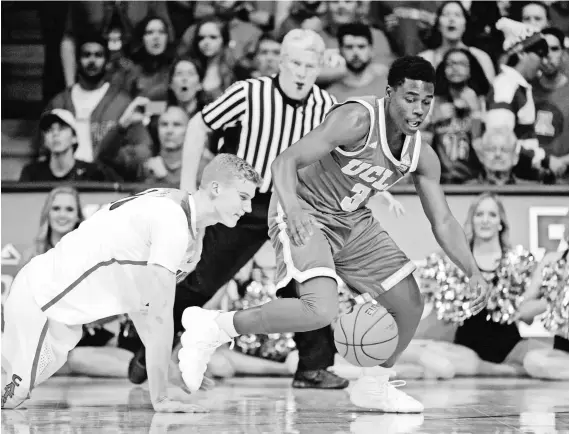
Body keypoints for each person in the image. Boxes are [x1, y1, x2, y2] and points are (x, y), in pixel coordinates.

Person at [178, 56, 489, 413]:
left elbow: (444, 221)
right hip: (305, 208)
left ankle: (374, 387)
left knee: (409, 305)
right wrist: (292, 209)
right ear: (389, 94)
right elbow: (285, 161)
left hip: (351, 219)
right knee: (320, 309)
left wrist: (473, 270)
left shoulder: (422, 154)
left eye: (426, 100)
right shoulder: (356, 119)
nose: (418, 109)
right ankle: (214, 327)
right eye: (410, 98)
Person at [128, 29, 356, 391]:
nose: (301, 72)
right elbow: (198, 124)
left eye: (310, 66)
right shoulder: (250, 93)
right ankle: (151, 343)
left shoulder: (326, 106)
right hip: (244, 200)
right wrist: (188, 189)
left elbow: (344, 155)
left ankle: (314, 366)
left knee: (306, 281)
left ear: (319, 68)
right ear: (281, 62)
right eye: (295, 63)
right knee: (202, 276)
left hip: (291, 202)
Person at [1, 154, 261, 412]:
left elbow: (141, 307)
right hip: (42, 303)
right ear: (216, 188)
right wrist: (160, 399)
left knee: (15, 391)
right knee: (10, 397)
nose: (249, 209)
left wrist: (169, 371)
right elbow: (160, 315)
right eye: (243, 197)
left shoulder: (185, 225)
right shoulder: (173, 222)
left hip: (59, 318)